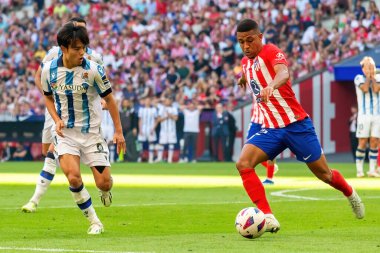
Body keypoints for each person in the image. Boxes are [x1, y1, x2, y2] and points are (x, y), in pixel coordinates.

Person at [235, 19, 364, 233]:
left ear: (260, 37)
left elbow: (283, 73)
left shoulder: (270, 51)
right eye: (241, 42)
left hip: (297, 126)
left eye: (250, 40)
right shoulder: (246, 62)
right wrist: (242, 79)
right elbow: (249, 73)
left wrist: (271, 85)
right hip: (273, 129)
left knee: (325, 175)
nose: (246, 46)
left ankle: (350, 193)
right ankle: (267, 216)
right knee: (243, 164)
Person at [40, 22, 125, 234]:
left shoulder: (94, 70)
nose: (82, 52)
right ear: (64, 48)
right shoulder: (49, 70)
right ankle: (95, 222)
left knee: (104, 183)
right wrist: (56, 118)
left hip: (92, 134)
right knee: (74, 177)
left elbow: (111, 100)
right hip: (66, 134)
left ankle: (105, 191)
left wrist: (118, 131)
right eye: (77, 48)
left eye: (84, 47)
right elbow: (48, 98)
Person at [21, 17, 105, 213]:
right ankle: (74, 170)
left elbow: (104, 85)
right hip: (56, 109)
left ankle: (35, 200)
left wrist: (102, 101)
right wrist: (51, 98)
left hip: (84, 113)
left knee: (53, 150)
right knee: (47, 151)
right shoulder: (53, 53)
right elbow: (38, 77)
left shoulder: (94, 58)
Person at [353, 57, 380, 178]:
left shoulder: (378, 78)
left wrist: (372, 75)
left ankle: (372, 170)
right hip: (364, 116)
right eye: (368, 67)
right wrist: (369, 76)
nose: (371, 69)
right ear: (363, 69)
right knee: (362, 142)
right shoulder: (358, 78)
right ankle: (359, 170)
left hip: (377, 115)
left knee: (374, 141)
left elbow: (376, 88)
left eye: (372, 66)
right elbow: (364, 89)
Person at [245, 98, 279, 184]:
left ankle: (269, 178)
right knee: (248, 149)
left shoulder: (272, 86)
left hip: (268, 122)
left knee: (271, 150)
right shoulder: (254, 85)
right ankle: (271, 167)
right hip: (255, 122)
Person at [155, 96, 178, 163]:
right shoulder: (161, 109)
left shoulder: (174, 108)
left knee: (171, 143)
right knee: (161, 143)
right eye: (166, 101)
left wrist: (170, 115)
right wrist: (166, 117)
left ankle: (169, 159)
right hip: (163, 130)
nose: (167, 102)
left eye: (168, 101)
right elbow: (158, 119)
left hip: (171, 129)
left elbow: (176, 118)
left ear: (171, 101)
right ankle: (159, 158)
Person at [138, 96, 158, 163]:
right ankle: (139, 157)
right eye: (146, 100)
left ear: (150, 102)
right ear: (144, 101)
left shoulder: (154, 110)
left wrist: (153, 128)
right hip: (143, 128)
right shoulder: (141, 109)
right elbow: (140, 120)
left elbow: (156, 120)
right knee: (139, 143)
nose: (147, 102)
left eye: (149, 100)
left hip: (150, 128)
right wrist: (140, 129)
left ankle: (151, 158)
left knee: (151, 143)